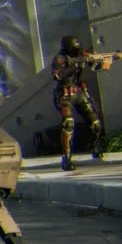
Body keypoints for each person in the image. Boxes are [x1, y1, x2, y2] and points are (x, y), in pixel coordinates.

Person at [51, 35, 105, 171]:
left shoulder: (81, 56)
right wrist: (74, 66)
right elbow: (57, 75)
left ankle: (95, 147)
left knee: (96, 124)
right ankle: (66, 158)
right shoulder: (60, 59)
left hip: (78, 93)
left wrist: (99, 61)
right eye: (74, 49)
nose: (78, 51)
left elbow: (94, 66)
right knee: (68, 124)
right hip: (63, 95)